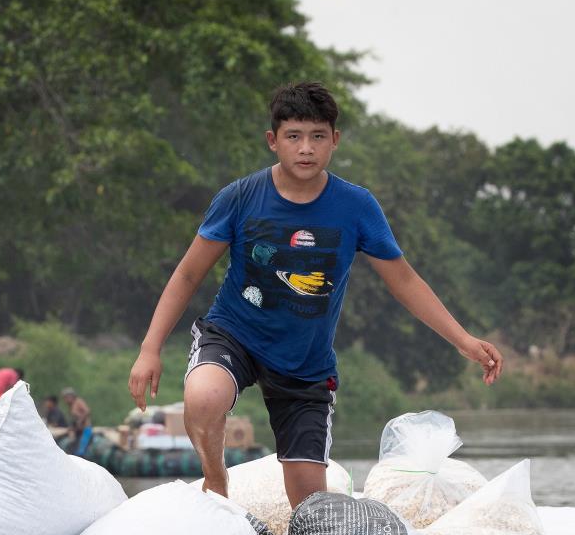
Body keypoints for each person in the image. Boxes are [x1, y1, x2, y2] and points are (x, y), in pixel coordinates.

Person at [128, 81, 502, 508]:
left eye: (317, 136)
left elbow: (404, 281)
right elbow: (189, 273)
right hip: (235, 333)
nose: (306, 148)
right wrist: (150, 348)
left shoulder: (356, 206)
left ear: (334, 141)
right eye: (294, 137)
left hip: (305, 363)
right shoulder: (239, 198)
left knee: (310, 509)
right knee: (203, 396)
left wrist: (464, 341)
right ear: (273, 141)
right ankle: (216, 484)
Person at [62, 387, 92, 455]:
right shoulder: (71, 405)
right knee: (71, 443)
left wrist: (81, 420)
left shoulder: (79, 401)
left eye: (66, 397)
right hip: (77, 429)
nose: (65, 400)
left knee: (82, 447)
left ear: (71, 396)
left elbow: (87, 411)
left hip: (85, 427)